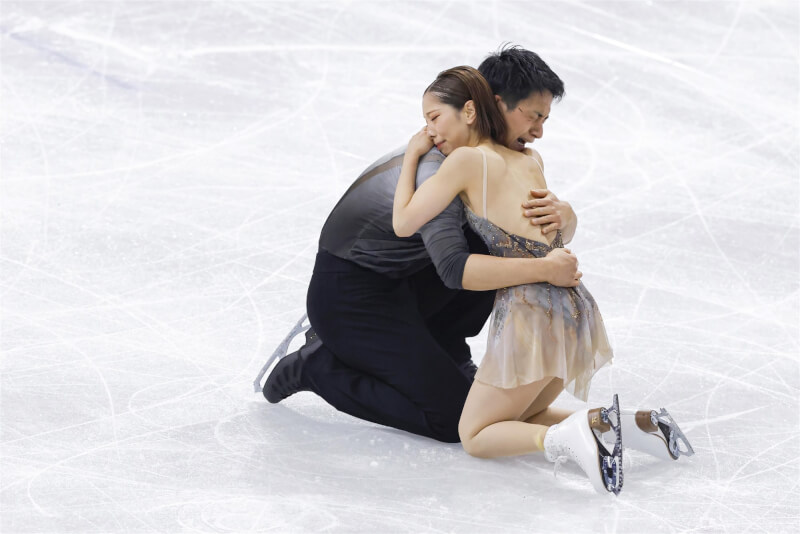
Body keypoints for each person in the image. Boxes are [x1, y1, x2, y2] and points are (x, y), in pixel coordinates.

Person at [392, 62, 694, 494]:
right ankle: (639, 426)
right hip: (575, 308)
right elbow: (543, 234)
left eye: (434, 118)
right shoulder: (532, 160)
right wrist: (567, 220)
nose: (429, 129)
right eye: (534, 116)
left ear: (473, 110)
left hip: (531, 311)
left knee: (474, 435)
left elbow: (404, 223)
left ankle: (571, 438)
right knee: (521, 417)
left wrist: (411, 155)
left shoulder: (465, 160)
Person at [258, 46, 581, 444]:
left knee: (497, 239)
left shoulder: (496, 159)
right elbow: (454, 268)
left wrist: (565, 215)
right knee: (455, 420)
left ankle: (445, 347)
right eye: (533, 116)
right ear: (494, 105)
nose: (538, 132)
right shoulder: (441, 168)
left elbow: (528, 234)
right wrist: (545, 269)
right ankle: (316, 367)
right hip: (351, 298)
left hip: (406, 282)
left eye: (544, 119)